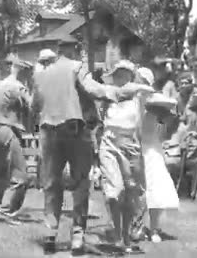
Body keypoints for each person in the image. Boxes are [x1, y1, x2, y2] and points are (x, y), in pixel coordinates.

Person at [32, 41, 154, 255]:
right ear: (75, 50)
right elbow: (96, 90)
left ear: (58, 52)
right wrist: (127, 91)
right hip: (74, 131)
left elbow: (34, 104)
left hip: (48, 132)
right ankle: (77, 237)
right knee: (80, 184)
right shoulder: (77, 67)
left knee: (51, 183)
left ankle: (50, 234)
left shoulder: (41, 73)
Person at [97, 60, 148, 251]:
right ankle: (117, 234)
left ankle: (125, 236)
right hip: (109, 142)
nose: (122, 77)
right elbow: (99, 119)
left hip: (131, 145)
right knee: (114, 192)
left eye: (125, 73)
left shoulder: (139, 95)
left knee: (130, 193)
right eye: (118, 73)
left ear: (131, 76)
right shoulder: (107, 94)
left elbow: (151, 121)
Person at [0, 55, 34, 222]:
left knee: (0, 175)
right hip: (5, 130)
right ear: (23, 72)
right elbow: (34, 105)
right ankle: (6, 212)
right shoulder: (18, 87)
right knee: (21, 177)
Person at [139, 93, 180, 243]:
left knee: (156, 191)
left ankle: (154, 228)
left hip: (153, 153)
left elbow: (164, 134)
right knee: (139, 193)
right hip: (138, 151)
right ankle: (138, 227)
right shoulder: (135, 108)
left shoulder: (159, 112)